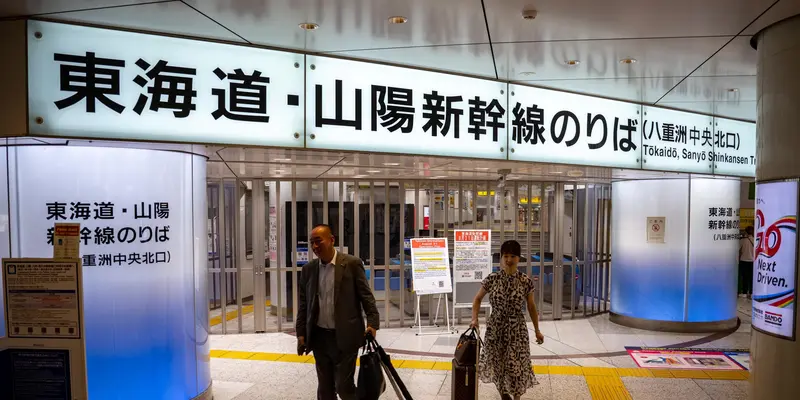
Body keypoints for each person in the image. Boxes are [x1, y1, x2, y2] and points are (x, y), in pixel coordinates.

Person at [296, 224, 380, 400]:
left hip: (346, 336)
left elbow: (366, 297)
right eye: (312, 243)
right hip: (320, 338)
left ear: (332, 240)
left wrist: (372, 324)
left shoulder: (351, 264)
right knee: (325, 389)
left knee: (344, 386)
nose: (314, 247)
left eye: (318, 241)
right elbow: (304, 305)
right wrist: (301, 334)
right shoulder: (308, 270)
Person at [471, 240, 544, 400]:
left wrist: (537, 330)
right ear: (502, 258)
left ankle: (516, 397)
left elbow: (531, 307)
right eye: (506, 256)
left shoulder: (525, 281)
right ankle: (504, 394)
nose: (509, 260)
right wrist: (474, 319)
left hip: (516, 330)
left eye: (512, 256)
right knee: (498, 365)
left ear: (519, 258)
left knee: (516, 366)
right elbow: (477, 299)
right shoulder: (492, 279)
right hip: (495, 329)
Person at [739, 226, 755, 299]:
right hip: (752, 262)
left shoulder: (742, 240)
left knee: (745, 277)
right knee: (751, 278)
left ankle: (745, 293)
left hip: (743, 261)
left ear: (746, 231)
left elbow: (738, 249)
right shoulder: (755, 240)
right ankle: (751, 293)